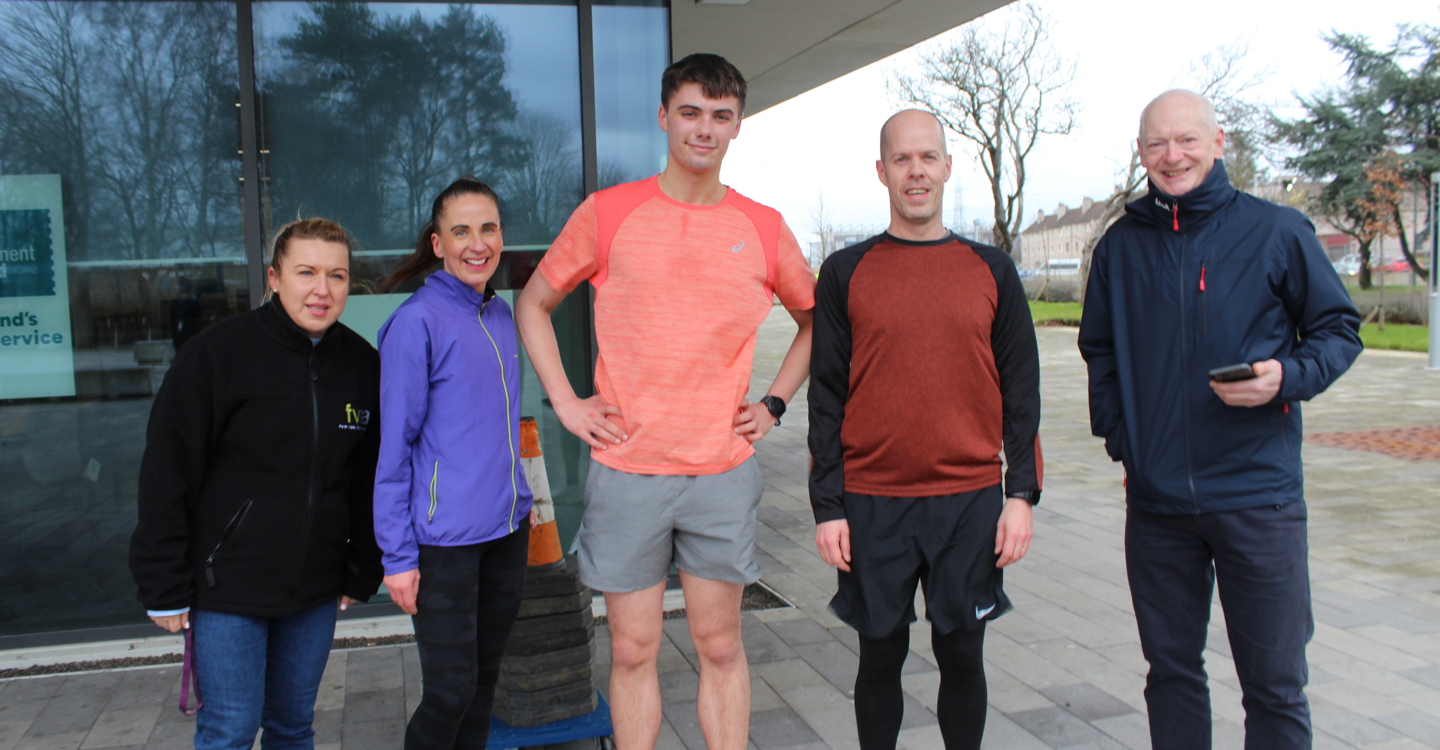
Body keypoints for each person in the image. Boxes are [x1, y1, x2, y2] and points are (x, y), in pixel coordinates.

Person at [515, 53, 815, 750]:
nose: (704, 128)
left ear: (737, 125)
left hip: (720, 471)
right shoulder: (609, 213)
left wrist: (773, 403)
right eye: (690, 112)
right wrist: (567, 402)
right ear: (663, 117)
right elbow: (533, 303)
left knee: (720, 644)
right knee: (631, 649)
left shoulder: (764, 226)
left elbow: (817, 322)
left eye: (720, 115)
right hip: (628, 470)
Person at [1078, 90, 1363, 749]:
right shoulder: (1120, 247)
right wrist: (1125, 441)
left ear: (1218, 142)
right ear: (1141, 152)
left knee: (1275, 685)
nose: (1172, 156)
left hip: (1259, 501)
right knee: (1172, 674)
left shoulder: (1277, 231)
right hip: (1158, 507)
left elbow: (1338, 330)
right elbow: (1100, 350)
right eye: (1157, 143)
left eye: (1187, 140)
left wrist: (1285, 377)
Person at [808, 109, 1042, 750]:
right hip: (872, 500)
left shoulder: (991, 270)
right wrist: (828, 506)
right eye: (902, 159)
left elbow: (1022, 393)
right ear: (882, 171)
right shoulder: (845, 272)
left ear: (946, 166)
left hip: (968, 501)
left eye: (928, 157)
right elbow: (826, 399)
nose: (916, 171)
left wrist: (1021, 494)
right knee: (879, 655)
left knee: (962, 654)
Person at [130, 218, 383, 749]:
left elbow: (366, 480)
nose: (321, 289)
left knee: (293, 727)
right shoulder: (216, 355)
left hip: (315, 590)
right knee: (230, 730)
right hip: (227, 589)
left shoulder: (362, 365)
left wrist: (361, 567)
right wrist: (163, 583)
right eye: (306, 272)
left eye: (336, 275)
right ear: (274, 278)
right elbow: (166, 474)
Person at [372, 177, 534, 749]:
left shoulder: (500, 315)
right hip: (444, 545)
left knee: (483, 687)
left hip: (506, 533)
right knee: (449, 692)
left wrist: (522, 500)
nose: (477, 243)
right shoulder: (416, 322)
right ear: (438, 243)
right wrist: (397, 556)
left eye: (488, 229)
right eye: (461, 231)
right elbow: (393, 449)